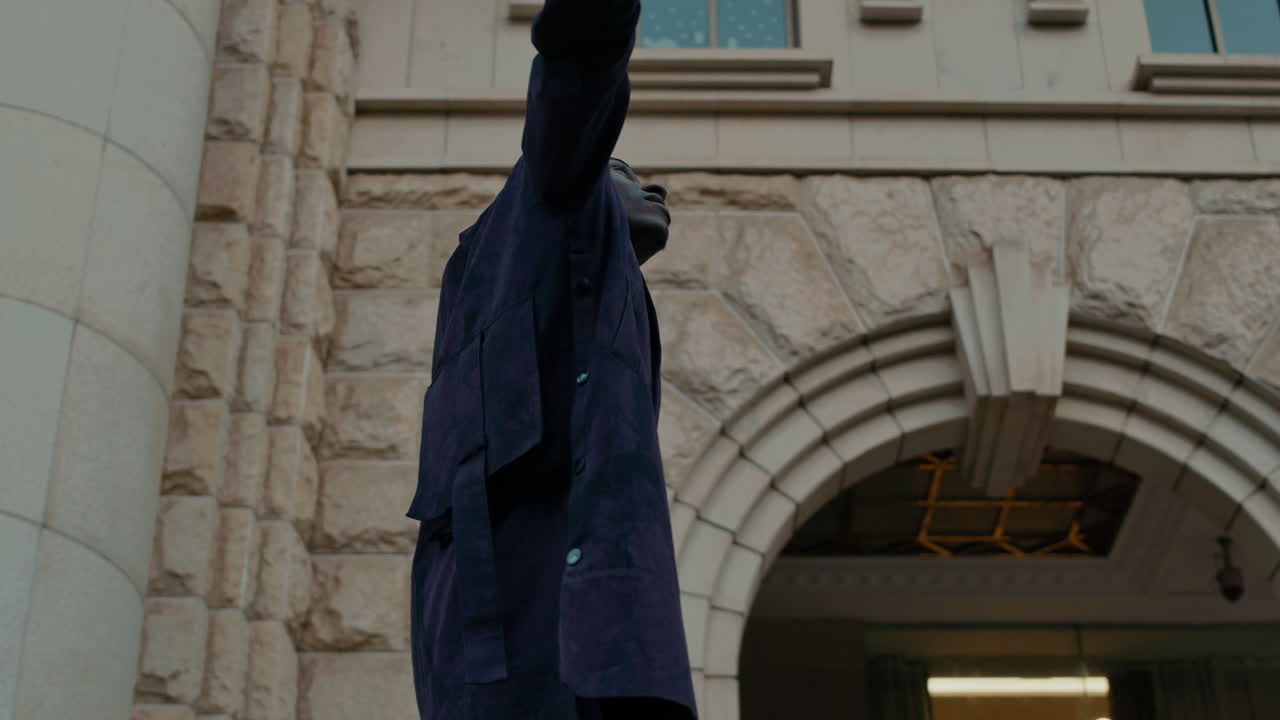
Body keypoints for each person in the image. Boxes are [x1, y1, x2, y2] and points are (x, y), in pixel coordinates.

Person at [404, 0, 698, 718]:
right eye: (621, 168)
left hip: (588, 629)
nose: (655, 188)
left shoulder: (590, 301)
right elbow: (580, 65)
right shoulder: (551, 199)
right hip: (526, 625)